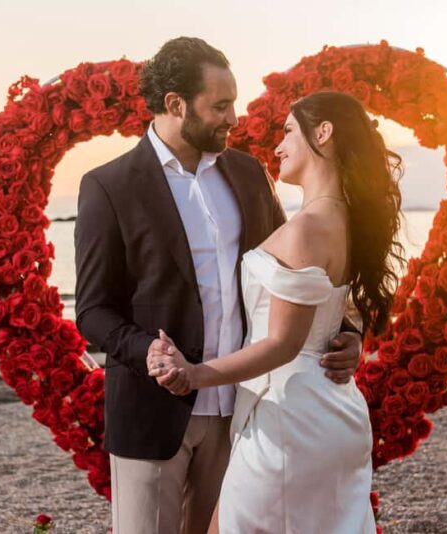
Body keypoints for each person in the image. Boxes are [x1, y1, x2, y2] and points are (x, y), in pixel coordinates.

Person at [73, 38, 364, 534]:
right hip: (153, 413)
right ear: (175, 105)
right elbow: (93, 310)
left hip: (246, 412)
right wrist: (147, 353)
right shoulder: (109, 185)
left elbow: (297, 277)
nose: (235, 117)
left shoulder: (248, 173)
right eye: (221, 105)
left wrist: (350, 333)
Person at [147, 91, 405, 533]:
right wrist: (350, 337)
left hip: (288, 418)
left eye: (288, 131)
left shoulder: (306, 229)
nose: (279, 145)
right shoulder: (342, 220)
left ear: (323, 133)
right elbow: (321, 314)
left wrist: (194, 374)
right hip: (326, 406)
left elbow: (283, 344)